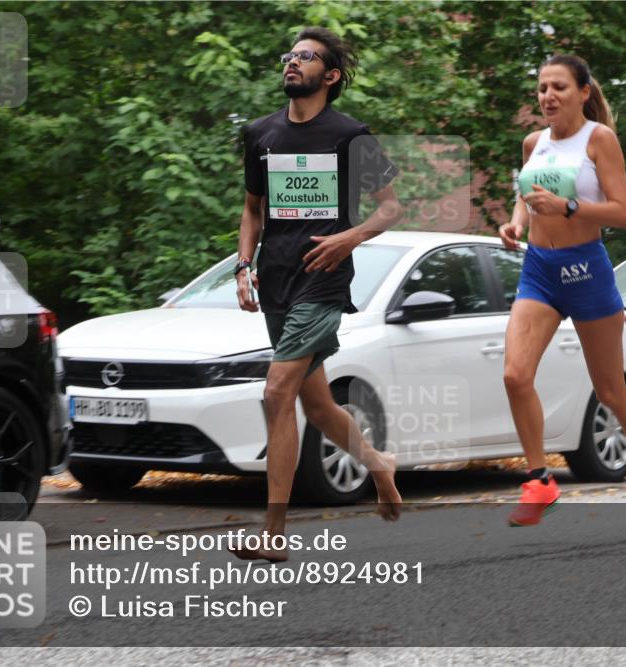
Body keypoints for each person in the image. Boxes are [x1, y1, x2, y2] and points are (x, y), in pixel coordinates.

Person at [233, 27, 404, 561]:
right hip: (276, 280)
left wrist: (350, 238)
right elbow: (252, 210)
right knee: (320, 405)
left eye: (305, 56)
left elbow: (390, 208)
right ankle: (378, 463)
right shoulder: (261, 134)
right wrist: (243, 266)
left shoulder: (351, 135)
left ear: (329, 76)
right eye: (290, 54)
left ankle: (274, 533)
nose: (292, 61)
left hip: (323, 281)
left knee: (276, 393)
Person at [499, 54, 626, 528]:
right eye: (542, 88)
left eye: (558, 87)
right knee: (515, 375)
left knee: (610, 389)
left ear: (583, 92)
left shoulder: (599, 140)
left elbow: (623, 213)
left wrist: (569, 207)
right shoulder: (533, 142)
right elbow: (525, 195)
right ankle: (539, 481)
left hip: (586, 270)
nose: (548, 96)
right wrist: (516, 223)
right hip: (539, 269)